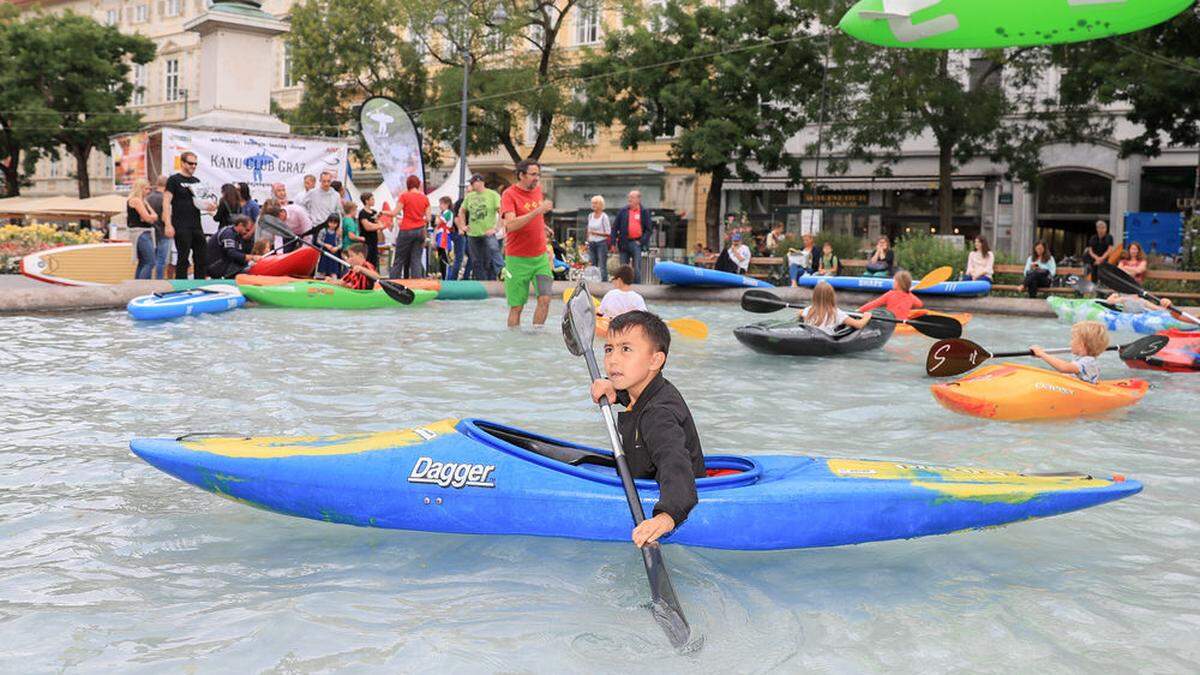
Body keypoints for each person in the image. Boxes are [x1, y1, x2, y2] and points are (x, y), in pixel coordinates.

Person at [588, 311, 705, 547]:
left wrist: (666, 516)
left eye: (626, 349)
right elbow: (638, 399)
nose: (613, 360)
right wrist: (615, 390)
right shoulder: (643, 391)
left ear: (655, 360)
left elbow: (675, 465)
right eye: (609, 349)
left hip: (679, 494)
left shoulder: (659, 414)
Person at [500, 159, 554, 327]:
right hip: (517, 259)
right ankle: (515, 344)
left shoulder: (537, 190)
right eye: (533, 174)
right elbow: (510, 225)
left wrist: (543, 226)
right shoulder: (509, 195)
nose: (536, 178)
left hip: (539, 257)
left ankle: (535, 340)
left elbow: (533, 217)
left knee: (545, 299)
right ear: (521, 175)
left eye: (538, 174)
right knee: (517, 307)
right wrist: (537, 211)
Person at [163, 150, 215, 279]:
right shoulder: (174, 180)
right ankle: (181, 285)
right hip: (180, 224)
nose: (193, 166)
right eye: (190, 163)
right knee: (183, 257)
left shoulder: (196, 181)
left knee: (201, 256)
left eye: (195, 164)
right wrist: (168, 224)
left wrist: (210, 207)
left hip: (196, 224)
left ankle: (199, 284)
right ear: (182, 163)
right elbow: (166, 202)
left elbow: (202, 202)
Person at [1031, 321, 1108, 384]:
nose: (1070, 342)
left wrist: (1042, 354)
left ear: (1082, 344)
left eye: (1072, 339)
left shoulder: (1088, 361)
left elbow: (1064, 368)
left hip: (1080, 393)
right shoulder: (1082, 359)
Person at [457, 174, 502, 280]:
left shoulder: (492, 195)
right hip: (473, 233)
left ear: (480, 182)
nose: (471, 185)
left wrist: (496, 228)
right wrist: (463, 226)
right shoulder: (470, 196)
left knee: (492, 254)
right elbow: (461, 211)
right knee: (476, 260)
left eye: (472, 183)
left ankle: (501, 273)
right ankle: (482, 282)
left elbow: (502, 211)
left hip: (488, 232)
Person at [390, 175, 430, 278]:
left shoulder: (404, 196)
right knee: (416, 259)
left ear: (408, 184)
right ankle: (417, 285)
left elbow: (395, 213)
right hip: (420, 230)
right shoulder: (425, 198)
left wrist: (383, 212)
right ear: (418, 184)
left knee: (399, 259)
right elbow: (428, 218)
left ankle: (393, 283)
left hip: (406, 230)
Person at [800, 281, 873, 334]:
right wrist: (867, 317)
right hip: (825, 343)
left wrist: (801, 312)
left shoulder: (808, 310)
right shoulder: (836, 313)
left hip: (811, 338)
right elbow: (859, 325)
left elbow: (800, 312)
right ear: (831, 296)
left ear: (815, 296)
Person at [613, 190, 653, 283]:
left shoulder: (644, 211)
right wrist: (613, 243)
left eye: (632, 197)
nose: (629, 199)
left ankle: (637, 287)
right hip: (624, 243)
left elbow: (649, 229)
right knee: (623, 268)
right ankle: (623, 286)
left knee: (637, 267)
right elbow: (615, 228)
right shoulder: (623, 211)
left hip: (636, 243)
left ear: (638, 199)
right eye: (629, 197)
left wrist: (641, 241)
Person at [206, 214, 261, 279]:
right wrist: (252, 257)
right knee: (249, 273)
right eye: (247, 230)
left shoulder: (237, 235)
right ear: (240, 225)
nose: (247, 233)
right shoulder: (228, 233)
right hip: (216, 266)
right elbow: (231, 253)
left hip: (225, 264)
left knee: (251, 267)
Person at [857, 269, 923, 320]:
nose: (893, 283)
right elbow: (920, 304)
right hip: (903, 325)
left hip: (891, 324)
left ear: (897, 283)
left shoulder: (890, 294)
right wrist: (909, 293)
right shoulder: (910, 296)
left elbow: (873, 304)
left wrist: (859, 310)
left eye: (894, 281)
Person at [127, 179, 160, 280]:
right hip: (141, 233)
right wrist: (150, 217)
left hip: (143, 232)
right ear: (140, 189)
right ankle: (143, 285)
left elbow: (154, 216)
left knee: (143, 262)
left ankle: (137, 285)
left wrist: (151, 217)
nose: (149, 191)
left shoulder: (143, 201)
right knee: (150, 261)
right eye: (146, 189)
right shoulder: (136, 200)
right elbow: (148, 218)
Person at [143, 175, 171, 279]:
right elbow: (165, 217)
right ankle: (159, 281)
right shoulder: (165, 198)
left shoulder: (148, 197)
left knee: (150, 260)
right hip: (164, 232)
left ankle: (148, 281)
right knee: (161, 260)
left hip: (151, 232)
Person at [586, 195, 611, 281]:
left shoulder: (604, 217)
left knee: (602, 265)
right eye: (592, 203)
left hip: (601, 243)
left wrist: (595, 233)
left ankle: (604, 283)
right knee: (592, 264)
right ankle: (593, 283)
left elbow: (608, 233)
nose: (593, 205)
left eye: (595, 203)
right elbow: (588, 230)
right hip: (591, 243)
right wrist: (587, 240)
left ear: (600, 204)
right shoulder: (590, 216)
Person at [357, 192, 384, 269]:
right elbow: (367, 227)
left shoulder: (374, 212)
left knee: (374, 262)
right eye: (372, 199)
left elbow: (381, 225)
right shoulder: (362, 213)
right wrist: (377, 226)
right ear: (366, 201)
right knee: (367, 261)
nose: (374, 200)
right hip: (366, 242)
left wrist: (377, 225)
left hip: (374, 241)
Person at [434, 196, 455, 279]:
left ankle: (447, 277)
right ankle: (444, 276)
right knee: (441, 258)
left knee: (444, 258)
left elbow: (437, 222)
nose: (440, 206)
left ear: (447, 204)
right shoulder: (443, 213)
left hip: (444, 236)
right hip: (441, 236)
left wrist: (437, 217)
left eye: (441, 204)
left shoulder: (448, 212)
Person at [317, 214, 342, 278]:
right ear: (328, 222)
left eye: (335, 223)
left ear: (337, 224)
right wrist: (325, 245)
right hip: (324, 254)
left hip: (334, 255)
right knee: (322, 271)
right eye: (331, 222)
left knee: (333, 272)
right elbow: (318, 241)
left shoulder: (338, 232)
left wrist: (336, 248)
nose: (332, 225)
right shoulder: (323, 231)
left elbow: (341, 243)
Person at [1104, 292, 1172, 314]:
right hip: (1128, 318)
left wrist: (1168, 306)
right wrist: (1114, 295)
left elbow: (1158, 309)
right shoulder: (1123, 299)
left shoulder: (1142, 301)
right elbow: (1109, 302)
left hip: (1139, 316)